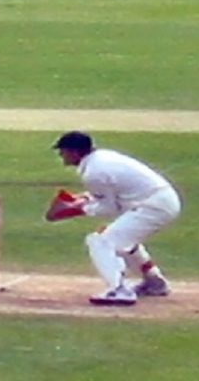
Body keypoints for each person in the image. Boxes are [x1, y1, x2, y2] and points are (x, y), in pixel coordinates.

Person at [48, 131, 180, 306]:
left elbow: (109, 208)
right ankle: (154, 283)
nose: (61, 155)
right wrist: (84, 200)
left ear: (75, 152)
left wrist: (78, 208)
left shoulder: (94, 172)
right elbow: (111, 195)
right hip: (158, 201)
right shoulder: (101, 158)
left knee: (101, 241)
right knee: (120, 239)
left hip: (153, 206)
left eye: (63, 151)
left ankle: (119, 290)